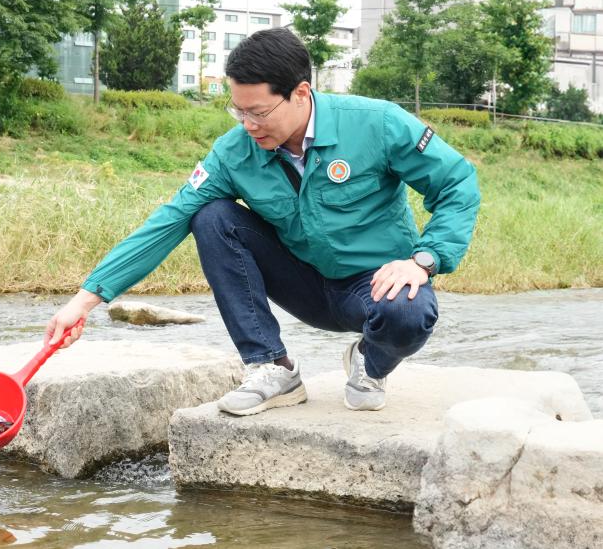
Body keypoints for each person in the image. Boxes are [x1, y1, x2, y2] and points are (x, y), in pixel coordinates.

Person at [45, 27, 480, 415]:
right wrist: (82, 302)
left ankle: (370, 361)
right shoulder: (234, 152)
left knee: (409, 313)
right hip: (302, 282)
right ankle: (272, 367)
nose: (249, 125)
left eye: (259, 112)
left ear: (301, 93)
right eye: (239, 112)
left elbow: (457, 183)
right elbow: (168, 220)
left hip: (374, 286)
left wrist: (423, 260)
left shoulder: (377, 123)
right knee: (211, 215)